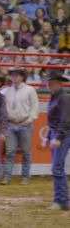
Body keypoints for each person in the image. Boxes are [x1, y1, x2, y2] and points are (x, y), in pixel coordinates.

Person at [1, 67, 39, 185]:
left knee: (26, 152)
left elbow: (35, 106)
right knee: (9, 152)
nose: (14, 77)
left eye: (17, 75)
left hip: (24, 123)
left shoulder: (30, 90)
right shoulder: (6, 91)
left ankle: (25, 176)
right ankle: (7, 176)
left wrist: (30, 119)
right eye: (12, 75)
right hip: (11, 123)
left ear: (22, 77)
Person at [45, 70, 70, 211]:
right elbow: (54, 120)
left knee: (57, 168)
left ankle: (60, 200)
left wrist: (58, 137)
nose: (49, 85)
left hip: (63, 134)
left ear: (58, 83)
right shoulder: (56, 96)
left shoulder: (62, 98)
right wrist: (49, 136)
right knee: (57, 167)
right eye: (49, 83)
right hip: (58, 133)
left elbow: (65, 119)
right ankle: (63, 200)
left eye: (51, 83)